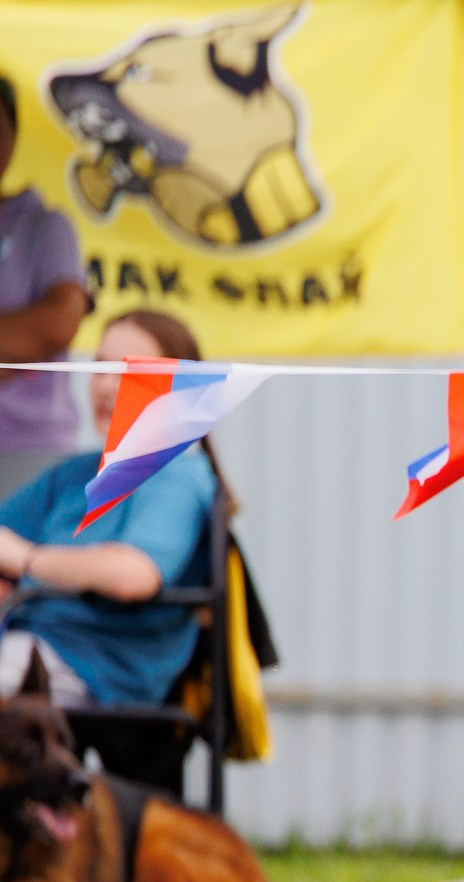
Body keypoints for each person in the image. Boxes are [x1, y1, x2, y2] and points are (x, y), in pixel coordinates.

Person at [0, 309, 218, 708]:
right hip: (25, 644)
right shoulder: (74, 473)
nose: (106, 385)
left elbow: (133, 575)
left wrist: (27, 559)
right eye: (100, 367)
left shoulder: (177, 478)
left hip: (92, 669)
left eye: (130, 372)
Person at [0, 75, 92, 496]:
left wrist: (32, 336)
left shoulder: (44, 226)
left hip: (29, 448)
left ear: (13, 137)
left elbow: (56, 326)